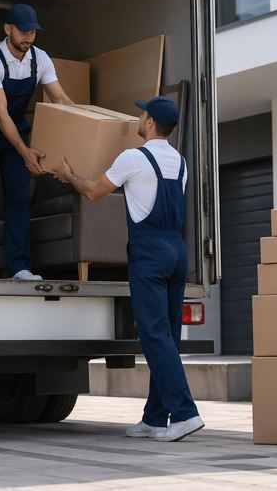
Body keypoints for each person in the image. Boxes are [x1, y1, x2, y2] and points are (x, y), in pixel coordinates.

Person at [52, 96, 204, 442]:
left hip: (150, 251)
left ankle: (185, 413)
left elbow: (92, 192)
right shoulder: (180, 163)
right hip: (177, 251)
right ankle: (154, 417)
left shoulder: (133, 158)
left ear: (150, 122)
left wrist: (68, 174)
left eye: (142, 113)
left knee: (153, 335)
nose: (138, 116)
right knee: (166, 337)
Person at [0, 4, 74, 281]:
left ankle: (20, 266)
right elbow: (0, 114)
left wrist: (87, 121)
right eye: (24, 32)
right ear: (8, 29)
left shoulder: (41, 59)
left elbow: (61, 99)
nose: (29, 38)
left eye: (33, 32)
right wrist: (24, 152)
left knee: (19, 196)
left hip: (17, 130)